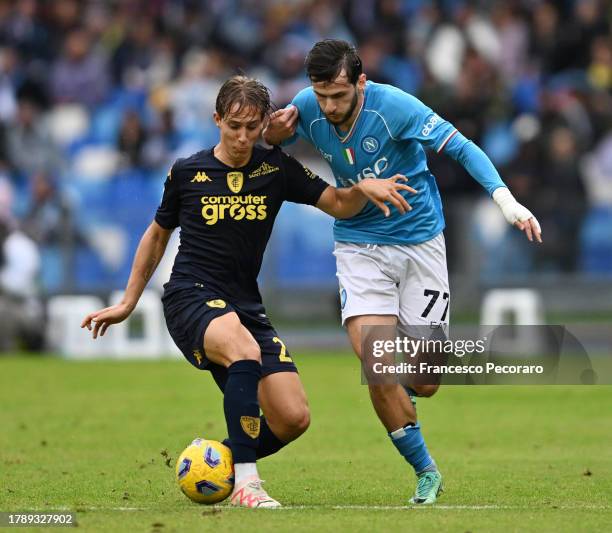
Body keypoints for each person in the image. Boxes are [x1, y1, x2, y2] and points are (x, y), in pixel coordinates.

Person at [81, 75, 413, 508]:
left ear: (263, 126)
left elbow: (337, 203)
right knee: (243, 351)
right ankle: (246, 486)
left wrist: (362, 190)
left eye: (252, 127)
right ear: (216, 119)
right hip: (190, 295)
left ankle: (212, 462)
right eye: (233, 126)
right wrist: (128, 301)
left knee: (293, 417)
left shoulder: (275, 169)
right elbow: (157, 235)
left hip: (244, 304)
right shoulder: (188, 171)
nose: (241, 137)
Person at [263, 39, 542, 505]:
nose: (328, 106)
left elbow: (462, 147)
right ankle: (425, 471)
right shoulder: (307, 105)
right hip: (358, 246)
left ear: (361, 83)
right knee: (377, 365)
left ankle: (406, 396)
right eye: (321, 95)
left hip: (420, 245)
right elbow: (275, 140)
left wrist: (505, 201)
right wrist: (273, 134)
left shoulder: (396, 108)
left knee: (426, 381)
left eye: (339, 95)